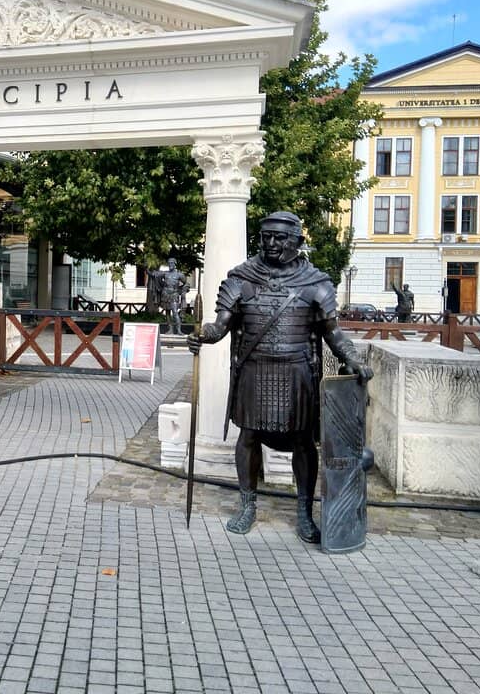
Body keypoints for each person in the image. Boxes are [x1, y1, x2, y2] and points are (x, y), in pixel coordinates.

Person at [187, 212, 373, 543]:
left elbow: (333, 333)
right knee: (248, 436)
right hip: (255, 370)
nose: (271, 244)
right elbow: (221, 325)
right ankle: (247, 505)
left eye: (279, 238)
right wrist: (205, 334)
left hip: (297, 372)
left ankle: (304, 512)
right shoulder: (241, 278)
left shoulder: (315, 283)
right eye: (266, 237)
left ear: (298, 242)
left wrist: (353, 359)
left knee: (303, 441)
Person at [158, 258, 188, 335]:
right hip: (166, 294)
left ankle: (178, 330)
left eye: (171, 263)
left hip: (174, 294)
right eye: (169, 263)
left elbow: (186, 283)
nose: (170, 265)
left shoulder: (179, 274)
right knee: (167, 312)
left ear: (175, 264)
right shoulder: (165, 274)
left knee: (175, 312)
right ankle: (170, 329)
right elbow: (157, 277)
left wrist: (183, 291)